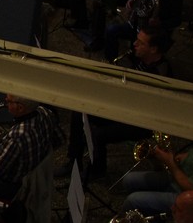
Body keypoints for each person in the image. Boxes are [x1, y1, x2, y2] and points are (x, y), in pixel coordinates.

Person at [63, 26, 174, 178]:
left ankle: (97, 170)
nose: (134, 44)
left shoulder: (161, 74)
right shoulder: (139, 57)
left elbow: (148, 106)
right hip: (125, 106)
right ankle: (73, 161)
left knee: (99, 134)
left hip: (141, 121)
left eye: (140, 43)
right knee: (80, 111)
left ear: (153, 49)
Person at [0, 94, 63, 201]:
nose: (5, 101)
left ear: (20, 108)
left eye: (9, 101)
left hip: (12, 186)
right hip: (38, 173)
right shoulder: (45, 112)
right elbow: (59, 140)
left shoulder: (16, 136)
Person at [100, 0, 183, 61]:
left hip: (154, 32)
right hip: (138, 24)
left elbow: (177, 20)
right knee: (111, 30)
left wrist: (160, 23)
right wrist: (132, 1)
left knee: (138, 53)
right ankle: (110, 60)